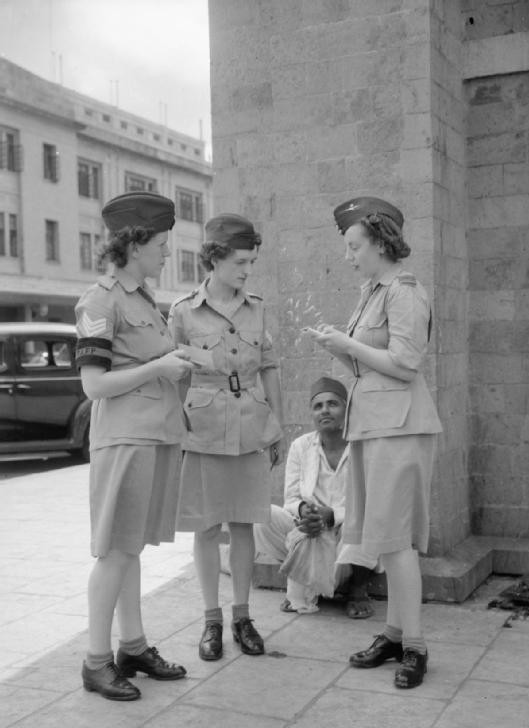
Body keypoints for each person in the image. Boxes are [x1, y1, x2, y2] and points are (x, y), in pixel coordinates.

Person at [307, 197, 442, 689]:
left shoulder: (404, 291)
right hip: (375, 424)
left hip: (400, 427)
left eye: (354, 245)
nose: (349, 255)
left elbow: (406, 364)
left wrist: (348, 345)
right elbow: (368, 367)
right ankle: (392, 634)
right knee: (382, 539)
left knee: (398, 542)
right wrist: (338, 350)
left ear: (381, 242)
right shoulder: (372, 291)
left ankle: (416, 647)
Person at [75, 191, 191, 701]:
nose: (168, 253)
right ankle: (96, 661)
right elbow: (94, 386)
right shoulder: (100, 301)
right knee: (114, 553)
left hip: (152, 437)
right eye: (163, 244)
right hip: (124, 441)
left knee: (130, 548)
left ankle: (134, 646)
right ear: (137, 243)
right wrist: (160, 368)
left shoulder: (141, 299)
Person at [168, 213, 284, 662]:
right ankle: (211, 619)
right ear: (213, 258)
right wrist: (176, 434)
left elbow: (270, 366)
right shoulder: (182, 312)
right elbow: (174, 378)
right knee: (206, 526)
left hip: (251, 425)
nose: (246, 270)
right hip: (203, 429)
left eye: (251, 262)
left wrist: (277, 423)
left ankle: (242, 616)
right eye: (239, 261)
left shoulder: (257, 306)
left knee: (243, 524)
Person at [254, 376, 378, 616]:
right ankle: (308, 573)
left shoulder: (363, 447)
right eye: (318, 406)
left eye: (333, 404)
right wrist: (305, 513)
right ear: (311, 413)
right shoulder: (301, 446)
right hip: (310, 529)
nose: (325, 411)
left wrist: (331, 517)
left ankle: (357, 589)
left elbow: (372, 501)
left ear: (346, 409)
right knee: (262, 515)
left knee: (366, 522)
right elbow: (290, 499)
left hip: (347, 537)